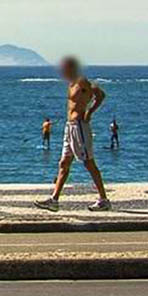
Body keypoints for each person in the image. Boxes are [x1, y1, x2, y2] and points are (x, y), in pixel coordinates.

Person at [34, 56, 111, 212]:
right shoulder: (71, 84)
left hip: (79, 126)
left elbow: (100, 95)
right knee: (64, 163)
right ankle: (54, 200)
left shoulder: (82, 81)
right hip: (69, 126)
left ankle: (103, 199)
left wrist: (89, 112)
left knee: (88, 162)